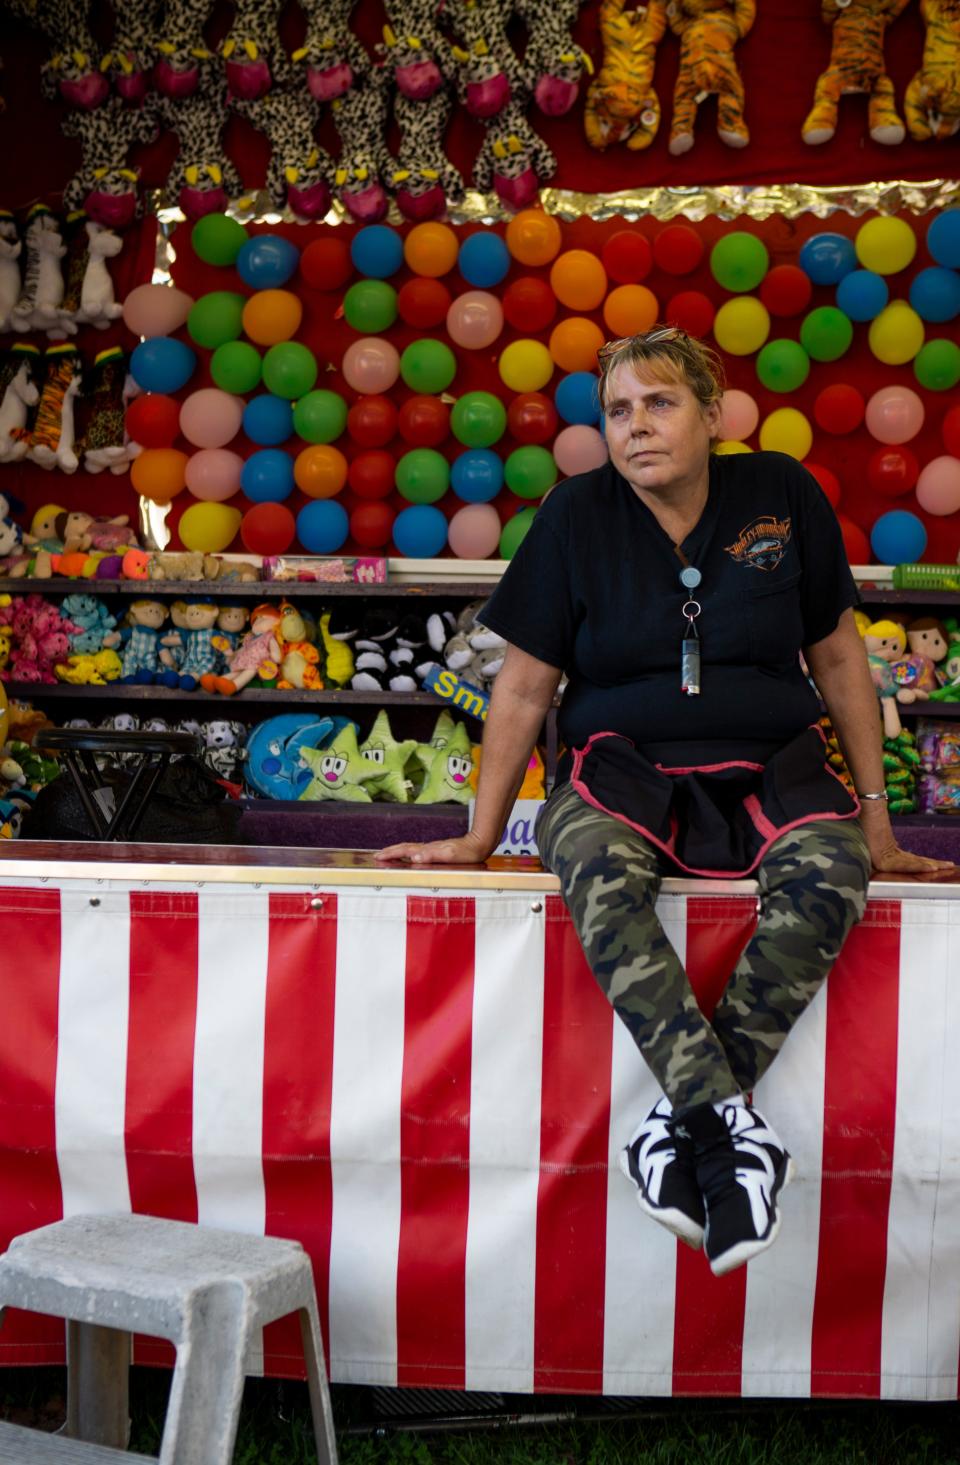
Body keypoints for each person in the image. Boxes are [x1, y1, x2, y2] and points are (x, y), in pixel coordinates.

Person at [376, 326, 955, 1277]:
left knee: (833, 869)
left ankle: (675, 1126)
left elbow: (840, 657)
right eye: (617, 411)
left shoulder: (781, 495)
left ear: (713, 414)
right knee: (593, 862)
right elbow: (524, 688)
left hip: (774, 761)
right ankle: (727, 1130)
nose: (635, 427)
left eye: (659, 403)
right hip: (621, 764)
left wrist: (878, 823)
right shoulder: (574, 516)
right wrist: (479, 836)